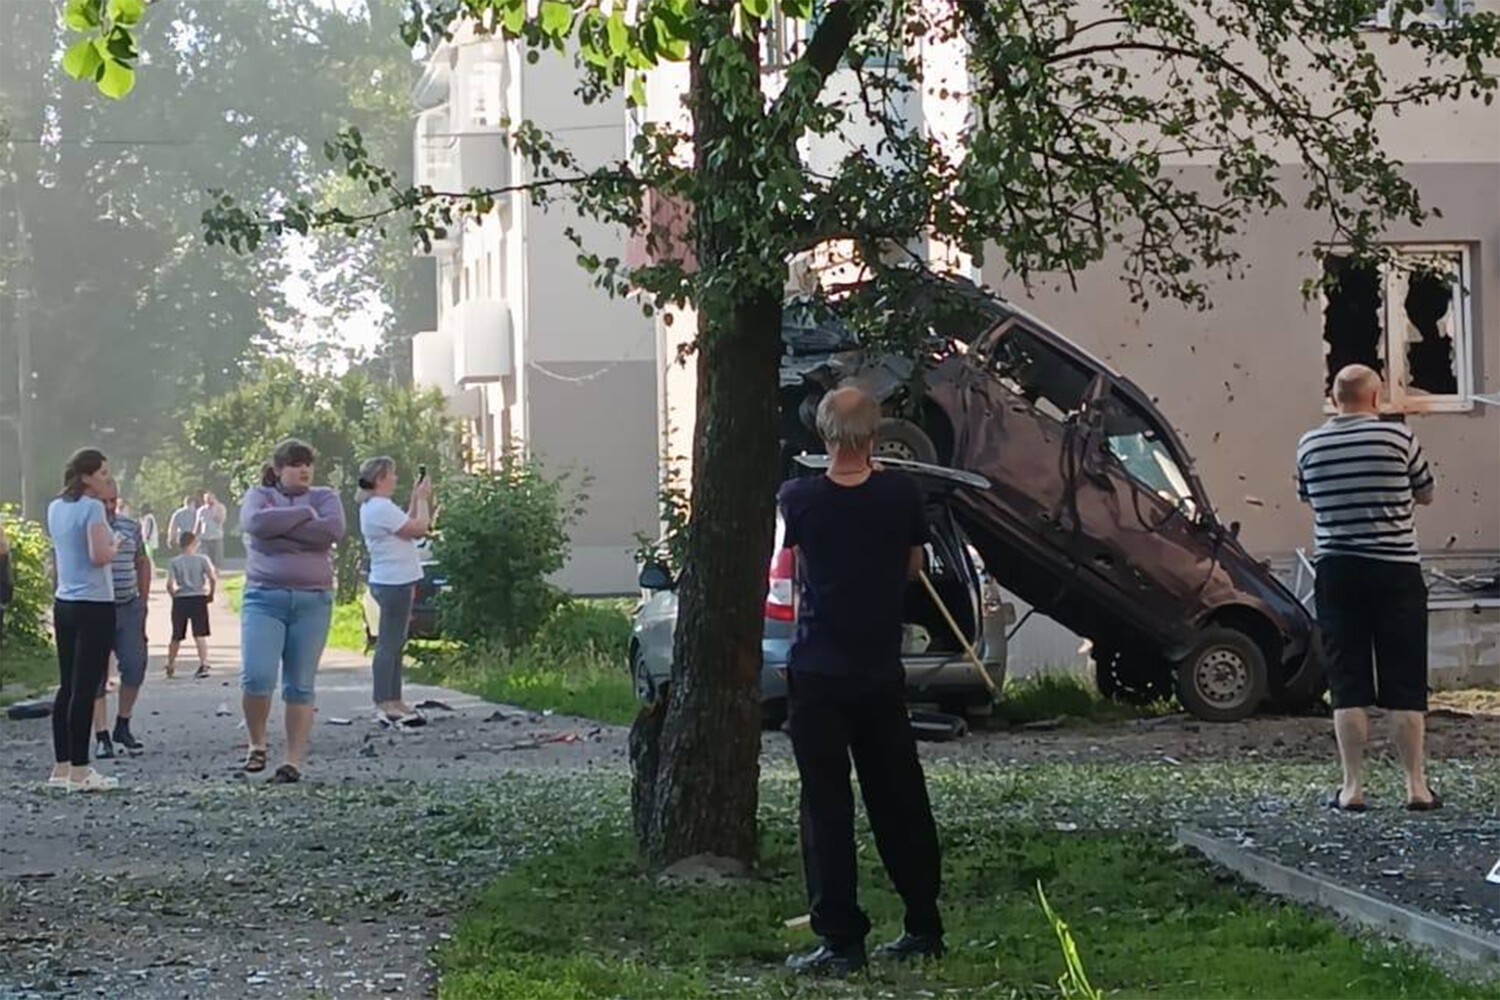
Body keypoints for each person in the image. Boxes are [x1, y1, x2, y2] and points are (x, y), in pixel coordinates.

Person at [777, 387, 944, 976]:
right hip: (879, 670)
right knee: (899, 796)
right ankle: (923, 922)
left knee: (825, 806)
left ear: (823, 437)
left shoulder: (798, 498)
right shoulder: (900, 494)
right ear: (875, 435)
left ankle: (841, 938)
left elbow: (791, 570)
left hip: (818, 669)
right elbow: (914, 565)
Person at [1296, 363, 1440, 812]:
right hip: (1396, 570)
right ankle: (1416, 786)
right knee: (1405, 679)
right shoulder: (1398, 438)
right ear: (1375, 399)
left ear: (1333, 397)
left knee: (1347, 679)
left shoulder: (1309, 444)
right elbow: (1426, 492)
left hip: (1337, 570)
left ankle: (1352, 787)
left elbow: (1306, 496)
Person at [238, 439, 344, 784]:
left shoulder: (326, 496)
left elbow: (332, 531)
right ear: (279, 468)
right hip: (264, 598)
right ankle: (257, 743)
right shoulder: (259, 495)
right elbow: (255, 524)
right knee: (258, 677)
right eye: (296, 464)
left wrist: (279, 532)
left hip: (313, 601)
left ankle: (293, 762)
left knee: (300, 684)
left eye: (308, 464)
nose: (304, 470)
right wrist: (303, 518)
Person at [45, 448, 120, 792]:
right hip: (95, 602)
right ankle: (80, 769)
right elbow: (98, 555)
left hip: (65, 600)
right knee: (87, 686)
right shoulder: (92, 508)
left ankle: (61, 765)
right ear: (87, 477)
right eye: (103, 473)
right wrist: (115, 545)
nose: (107, 479)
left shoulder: (56, 507)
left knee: (67, 684)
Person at [356, 456, 433, 729]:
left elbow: (405, 524)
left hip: (394, 580)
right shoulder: (379, 508)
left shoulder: (378, 507)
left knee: (395, 642)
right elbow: (419, 528)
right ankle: (384, 700)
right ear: (380, 479)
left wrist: (414, 498)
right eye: (392, 474)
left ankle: (394, 698)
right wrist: (424, 500)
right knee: (388, 644)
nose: (396, 478)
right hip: (393, 582)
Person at [91, 488, 152, 758]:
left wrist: (143, 598)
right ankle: (101, 734)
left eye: (113, 500)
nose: (109, 506)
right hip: (96, 606)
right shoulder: (88, 525)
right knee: (95, 673)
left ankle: (123, 723)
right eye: (103, 501)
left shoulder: (130, 525)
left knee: (135, 664)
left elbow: (142, 560)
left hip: (128, 604)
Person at [166, 531, 217, 680]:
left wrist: (173, 595)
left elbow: (169, 584)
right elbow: (212, 578)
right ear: (193, 543)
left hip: (181, 599)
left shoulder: (174, 561)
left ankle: (170, 664)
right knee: (199, 634)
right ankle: (203, 663)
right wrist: (211, 594)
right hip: (198, 597)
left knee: (176, 635)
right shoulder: (202, 559)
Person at [195, 491, 228, 568]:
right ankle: (206, 576)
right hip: (204, 538)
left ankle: (216, 575)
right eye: (206, 498)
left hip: (216, 538)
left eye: (209, 498)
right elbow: (197, 524)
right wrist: (193, 537)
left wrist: (214, 510)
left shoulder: (220, 508)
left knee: (217, 561)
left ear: (214, 498)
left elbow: (220, 520)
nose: (208, 500)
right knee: (204, 560)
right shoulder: (201, 510)